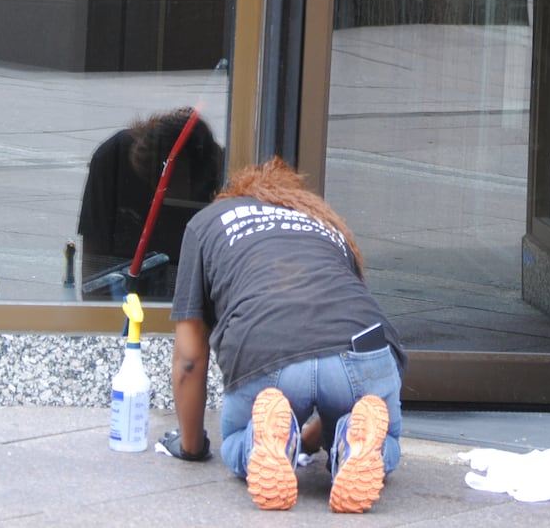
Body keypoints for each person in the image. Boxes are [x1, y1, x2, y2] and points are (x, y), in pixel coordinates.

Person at [157, 156, 406, 515]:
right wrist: (314, 437)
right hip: (363, 348)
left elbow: (190, 358)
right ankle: (351, 446)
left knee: (237, 440)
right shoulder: (327, 224)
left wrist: (191, 447)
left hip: (267, 351)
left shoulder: (208, 222)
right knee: (381, 437)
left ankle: (263, 441)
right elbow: (329, 343)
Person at [76, 108, 223, 300]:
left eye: (177, 181)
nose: (170, 195)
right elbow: (92, 255)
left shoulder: (216, 171)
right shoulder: (113, 158)